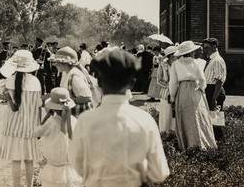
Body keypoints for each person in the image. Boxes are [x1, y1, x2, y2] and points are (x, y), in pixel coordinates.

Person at [71, 47, 170, 186]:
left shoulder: (85, 120)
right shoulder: (144, 120)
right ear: (132, 83)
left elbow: (77, 165)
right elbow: (159, 172)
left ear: (99, 83)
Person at [0, 50, 42, 187]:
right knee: (29, 160)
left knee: (15, 160)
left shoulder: (9, 80)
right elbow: (38, 106)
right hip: (30, 125)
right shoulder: (35, 81)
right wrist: (39, 125)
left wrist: (8, 99)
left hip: (13, 126)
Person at [169, 40, 217, 150]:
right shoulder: (196, 63)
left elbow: (173, 83)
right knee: (199, 116)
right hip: (195, 90)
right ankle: (202, 143)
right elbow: (202, 80)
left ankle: (187, 144)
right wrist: (201, 89)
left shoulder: (175, 64)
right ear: (191, 52)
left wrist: (173, 96)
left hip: (182, 91)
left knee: (185, 117)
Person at [37, 87, 82, 187]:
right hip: (71, 166)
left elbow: (38, 133)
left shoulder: (51, 122)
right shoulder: (74, 120)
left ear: (53, 108)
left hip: (54, 166)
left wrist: (45, 118)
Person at [48, 46, 93, 117]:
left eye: (57, 62)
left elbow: (87, 97)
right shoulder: (66, 73)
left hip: (79, 118)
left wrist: (68, 100)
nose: (55, 64)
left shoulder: (75, 76)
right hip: (71, 117)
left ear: (64, 63)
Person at [202, 37, 226, 141]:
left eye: (207, 48)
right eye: (204, 48)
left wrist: (214, 98)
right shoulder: (211, 60)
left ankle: (220, 142)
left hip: (214, 91)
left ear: (215, 47)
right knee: (210, 118)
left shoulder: (217, 61)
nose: (205, 50)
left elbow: (219, 82)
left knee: (216, 119)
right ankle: (213, 141)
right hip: (209, 90)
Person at [156, 45, 178, 132]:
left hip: (177, 92)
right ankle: (165, 132)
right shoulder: (162, 65)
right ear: (170, 55)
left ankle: (174, 132)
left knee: (175, 114)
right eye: (175, 55)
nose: (176, 56)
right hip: (166, 94)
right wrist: (169, 86)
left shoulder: (178, 65)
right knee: (166, 113)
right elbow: (159, 80)